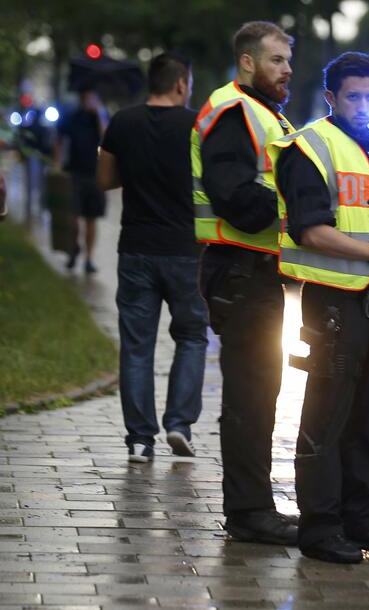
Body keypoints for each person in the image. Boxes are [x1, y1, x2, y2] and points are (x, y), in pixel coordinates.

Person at [270, 51, 369, 564]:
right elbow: (310, 230)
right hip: (333, 301)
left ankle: (363, 519)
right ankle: (320, 527)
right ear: (331, 97)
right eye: (354, 97)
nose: (363, 105)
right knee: (328, 415)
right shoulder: (308, 148)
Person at [192, 21, 297, 545]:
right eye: (276, 60)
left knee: (260, 394)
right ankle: (249, 513)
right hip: (239, 269)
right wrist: (298, 204)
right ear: (248, 62)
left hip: (253, 271)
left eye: (289, 60)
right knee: (251, 397)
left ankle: (254, 507)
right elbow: (235, 198)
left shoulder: (264, 113)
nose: (287, 70)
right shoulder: (234, 111)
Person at [96, 52, 208, 464]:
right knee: (192, 337)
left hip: (136, 249)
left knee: (137, 346)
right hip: (187, 250)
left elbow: (105, 179)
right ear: (181, 84)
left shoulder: (122, 122)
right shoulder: (199, 125)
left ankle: (140, 440)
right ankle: (179, 424)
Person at [54, 88, 108, 273]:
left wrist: (99, 115)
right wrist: (57, 164)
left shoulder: (100, 116)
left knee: (92, 219)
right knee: (73, 218)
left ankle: (89, 258)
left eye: (94, 97)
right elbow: (59, 140)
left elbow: (106, 137)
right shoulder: (72, 116)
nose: (91, 100)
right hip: (73, 174)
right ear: (83, 98)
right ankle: (73, 249)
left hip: (95, 174)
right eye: (89, 97)